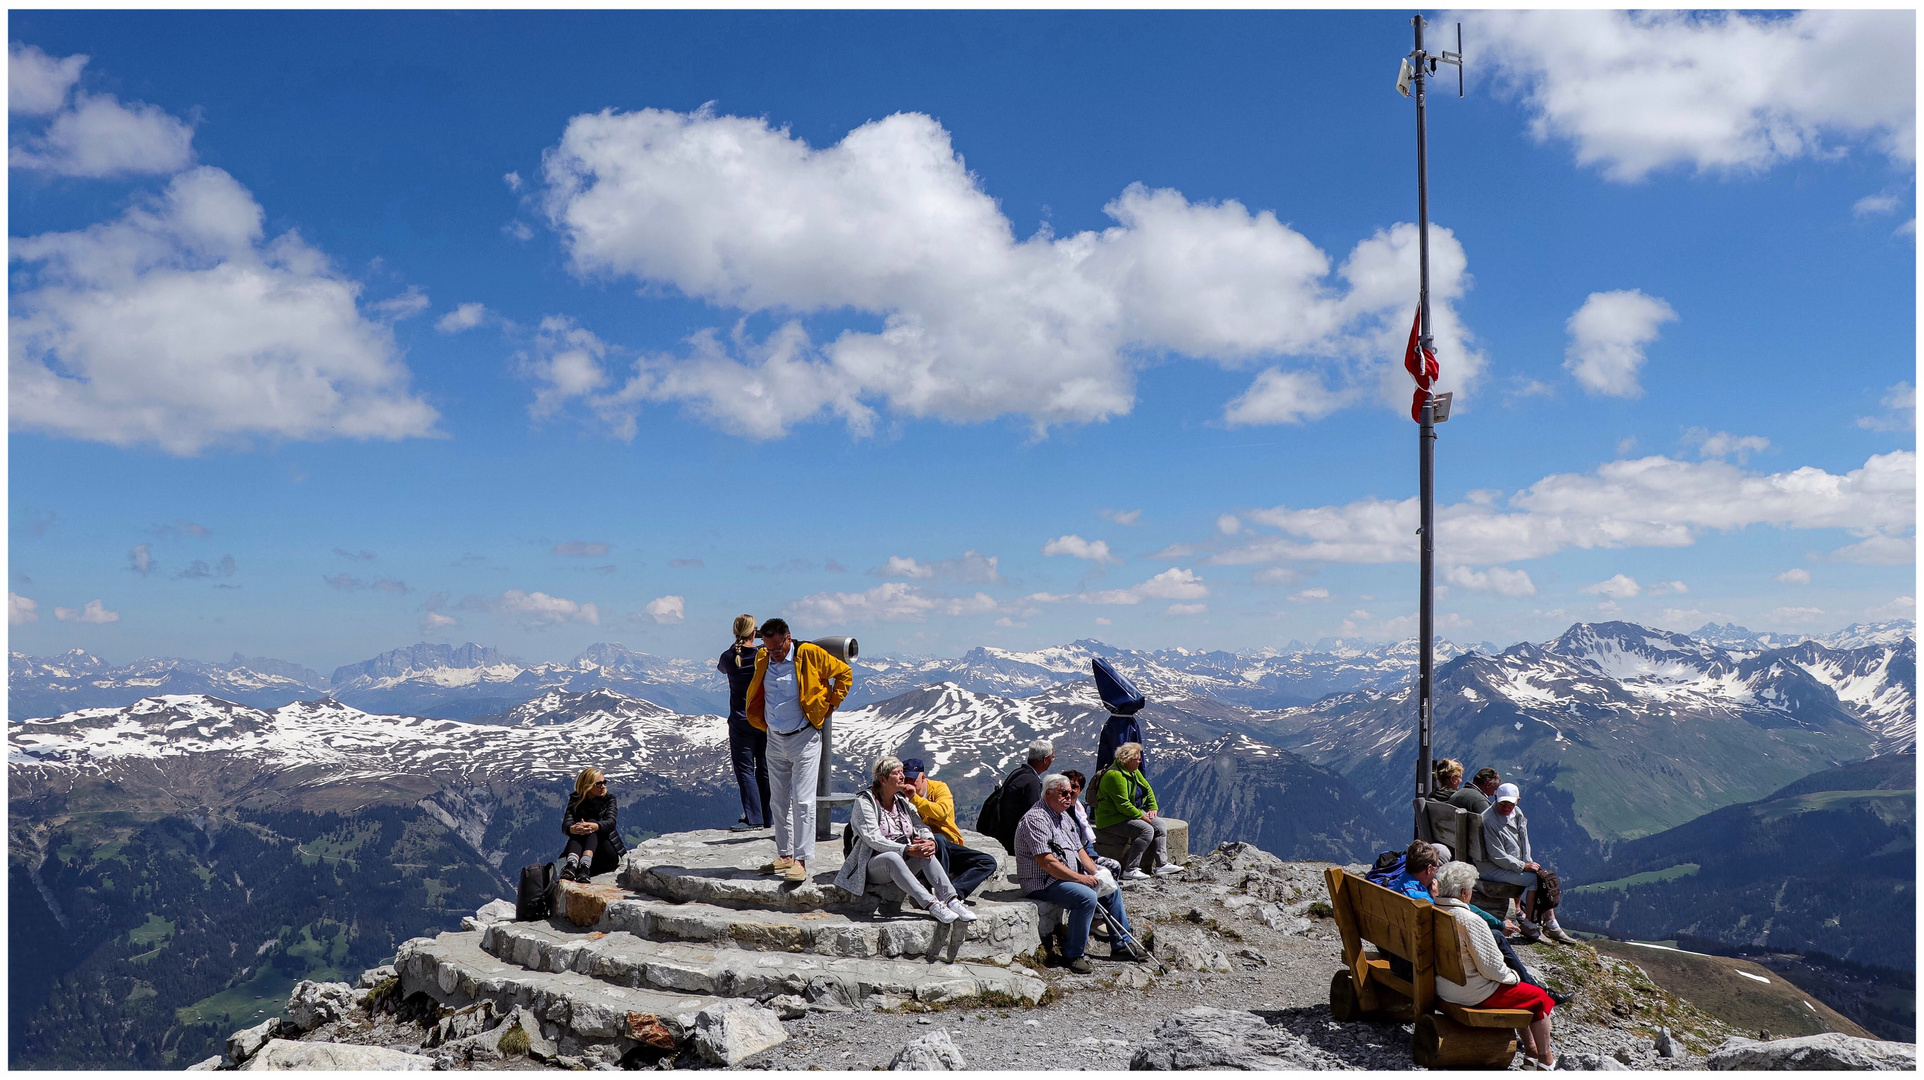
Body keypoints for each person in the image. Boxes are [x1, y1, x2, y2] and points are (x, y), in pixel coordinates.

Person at [1380, 840, 1568, 1005]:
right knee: (1495, 938)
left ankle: (1531, 985)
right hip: (1415, 965)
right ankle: (1532, 987)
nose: (1436, 872)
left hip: (1399, 954)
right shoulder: (1423, 901)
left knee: (1493, 937)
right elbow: (1453, 917)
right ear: (1429, 869)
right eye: (1436, 867)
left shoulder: (1399, 886)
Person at [744, 618, 853, 884]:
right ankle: (784, 855)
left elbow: (844, 674)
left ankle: (801, 860)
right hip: (775, 737)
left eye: (778, 649)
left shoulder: (810, 654)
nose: (774, 654)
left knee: (803, 801)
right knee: (778, 801)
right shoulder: (762, 658)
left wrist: (830, 705)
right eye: (769, 650)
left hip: (804, 737)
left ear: (788, 639)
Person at [1014, 774, 1145, 973]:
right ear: (1048, 794)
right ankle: (1073, 954)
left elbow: (1079, 849)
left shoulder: (1064, 815)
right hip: (1042, 881)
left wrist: (1097, 872)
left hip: (1063, 876)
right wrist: (1081, 879)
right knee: (1086, 897)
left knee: (1111, 888)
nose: (1070, 796)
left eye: (1071, 792)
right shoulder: (1036, 819)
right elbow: (1047, 862)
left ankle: (1121, 944)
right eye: (1063, 793)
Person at [1434, 860, 1558, 1069]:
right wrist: (1515, 977)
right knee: (1538, 997)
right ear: (1464, 892)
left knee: (1523, 995)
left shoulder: (1434, 910)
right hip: (1470, 991)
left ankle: (1531, 1054)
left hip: (1444, 985)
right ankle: (1546, 1061)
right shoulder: (1470, 920)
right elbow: (1492, 969)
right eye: (1471, 889)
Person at [834, 756, 973, 925]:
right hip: (873, 864)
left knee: (924, 850)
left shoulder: (901, 800)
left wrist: (929, 840)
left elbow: (920, 825)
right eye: (897, 773)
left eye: (902, 772)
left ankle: (952, 900)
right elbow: (873, 839)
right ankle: (932, 904)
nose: (902, 777)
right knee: (893, 857)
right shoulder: (865, 802)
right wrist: (906, 850)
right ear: (883, 779)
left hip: (903, 859)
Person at [1478, 783, 1578, 945]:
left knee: (1543, 876)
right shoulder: (1489, 820)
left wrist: (1528, 861)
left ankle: (1550, 923)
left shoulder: (1516, 812)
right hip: (1491, 868)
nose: (1505, 807)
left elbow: (1524, 841)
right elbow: (1496, 855)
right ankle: (1531, 925)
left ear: (1518, 800)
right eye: (1502, 802)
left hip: (1508, 864)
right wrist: (1523, 866)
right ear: (1495, 798)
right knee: (1534, 880)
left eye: (1510, 803)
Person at [901, 757, 1000, 902]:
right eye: (906, 779)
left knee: (988, 862)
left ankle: (953, 892)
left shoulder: (939, 788)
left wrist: (914, 798)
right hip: (921, 849)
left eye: (912, 779)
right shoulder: (901, 797)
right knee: (937, 839)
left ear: (923, 777)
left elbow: (941, 813)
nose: (909, 784)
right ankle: (944, 892)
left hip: (949, 845)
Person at [1092, 743, 1182, 879]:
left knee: (1160, 824)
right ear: (1128, 760)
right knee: (1146, 830)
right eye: (1137, 758)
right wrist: (1141, 816)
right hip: (1111, 819)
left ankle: (1161, 864)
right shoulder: (1115, 775)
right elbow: (1123, 805)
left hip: (1126, 814)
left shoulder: (1133, 771)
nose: (1140, 761)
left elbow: (1147, 788)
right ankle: (1131, 869)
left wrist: (1152, 807)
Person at [718, 614, 770, 832]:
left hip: (740, 721)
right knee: (765, 770)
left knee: (745, 770)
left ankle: (754, 818)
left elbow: (722, 669)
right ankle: (768, 818)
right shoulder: (762, 655)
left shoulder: (728, 657)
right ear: (754, 632)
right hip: (765, 719)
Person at [984, 739, 1054, 853]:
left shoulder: (1018, 773)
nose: (1052, 760)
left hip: (1003, 833)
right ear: (1045, 759)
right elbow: (1035, 813)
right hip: (1015, 841)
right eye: (1052, 757)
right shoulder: (1032, 782)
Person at [560, 768, 628, 882]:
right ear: (588, 785)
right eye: (599, 784)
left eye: (604, 782)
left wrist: (594, 826)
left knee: (592, 824)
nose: (603, 786)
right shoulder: (575, 800)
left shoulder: (609, 799)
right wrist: (573, 828)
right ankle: (573, 864)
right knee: (579, 827)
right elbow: (566, 824)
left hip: (605, 855)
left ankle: (581, 866)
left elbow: (611, 823)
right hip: (583, 851)